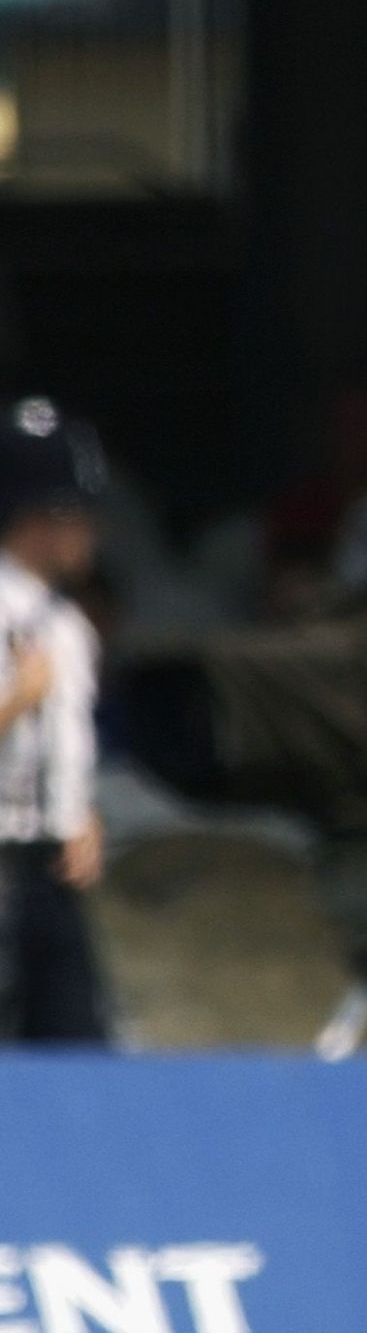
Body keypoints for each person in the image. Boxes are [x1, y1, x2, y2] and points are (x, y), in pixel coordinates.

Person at [0, 399, 110, 1043]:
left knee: (74, 1043)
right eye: (75, 516)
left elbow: (69, 748)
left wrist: (82, 813)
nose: (88, 534)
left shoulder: (70, 625)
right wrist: (17, 699)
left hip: (51, 866)